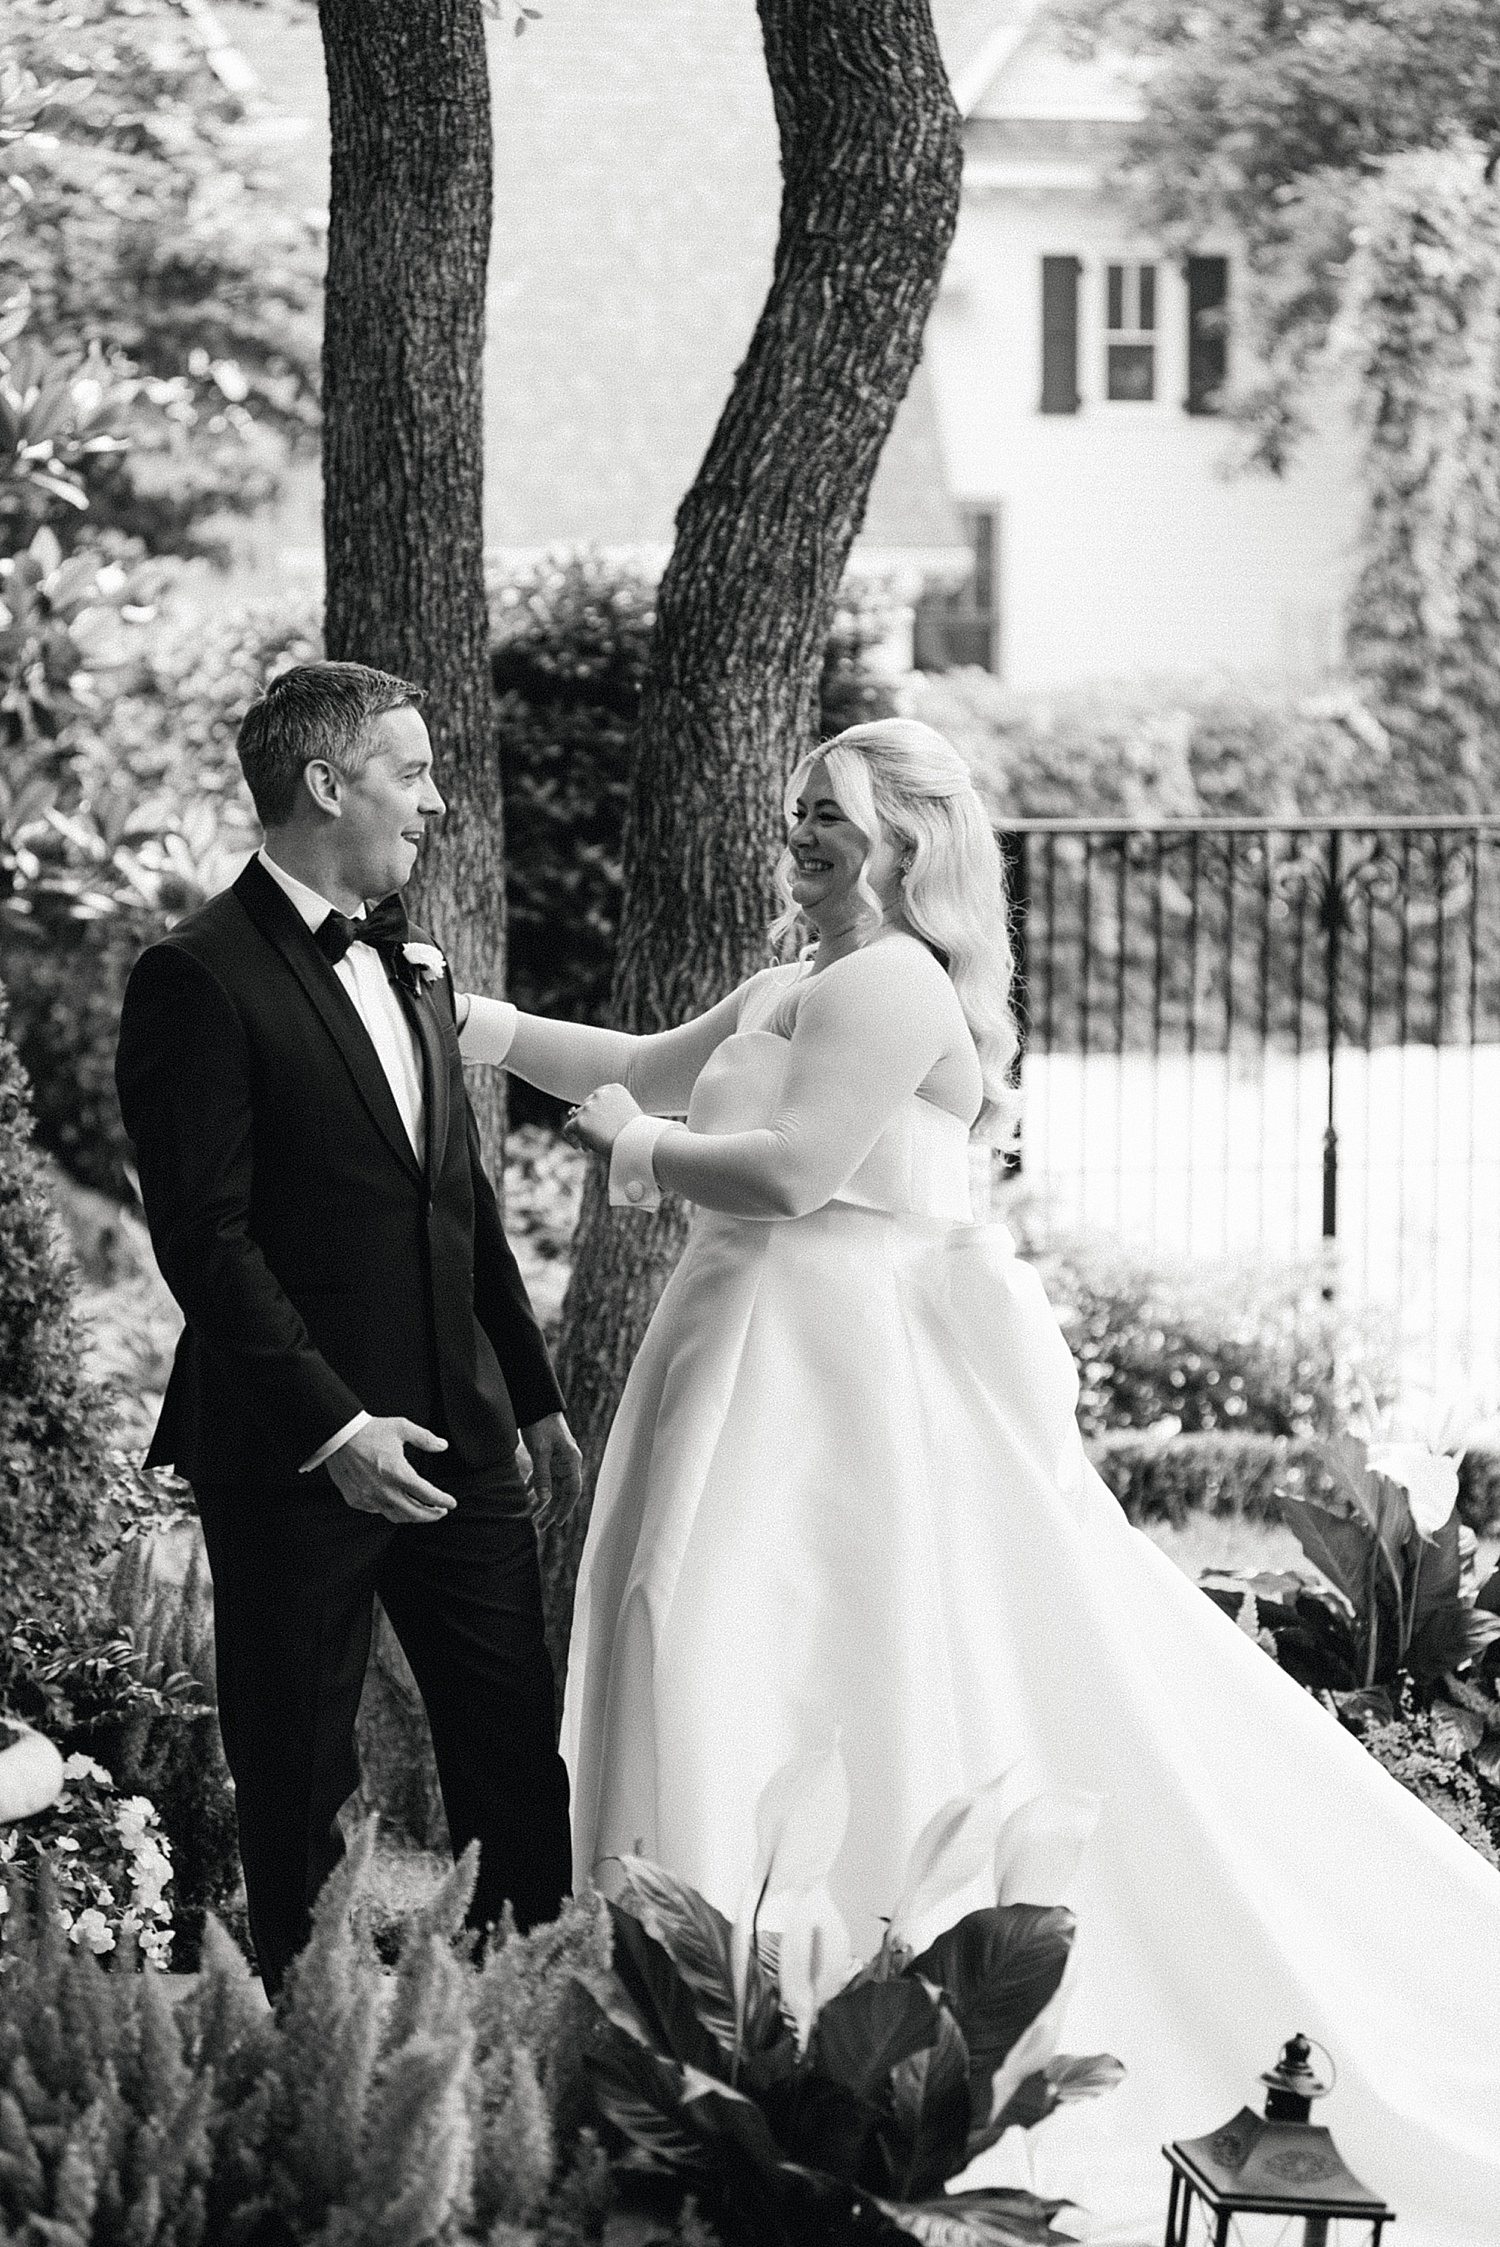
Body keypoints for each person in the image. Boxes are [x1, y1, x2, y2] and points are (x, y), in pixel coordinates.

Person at [457, 717, 1500, 2245]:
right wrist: (467, 1020)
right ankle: (692, 2038)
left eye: (836, 812)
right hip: (736, 1344)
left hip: (820, 1379)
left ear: (905, 838)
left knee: (765, 1645)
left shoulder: (890, 981)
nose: (802, 830)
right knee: (691, 1626)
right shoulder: (798, 979)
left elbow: (793, 1170)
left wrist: (635, 1153)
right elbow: (630, 1063)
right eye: (799, 805)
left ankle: (772, 2043)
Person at [115, 660, 580, 1998]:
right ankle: (316, 2071)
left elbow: (461, 1200)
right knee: (301, 1768)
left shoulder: (418, 968)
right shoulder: (194, 976)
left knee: (510, 1751)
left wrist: (535, 1399)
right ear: (327, 784)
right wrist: (333, 1424)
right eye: (413, 771)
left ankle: (520, 2035)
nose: (436, 803)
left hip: (463, 1434)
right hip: (296, 1451)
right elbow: (204, 1239)